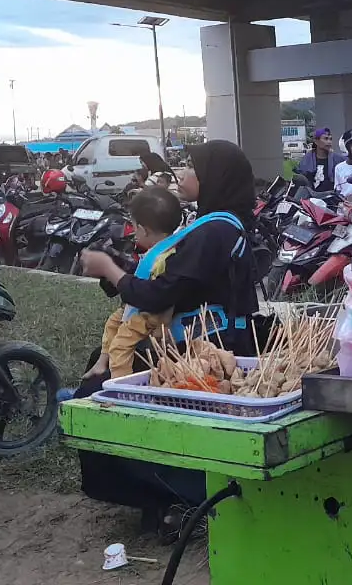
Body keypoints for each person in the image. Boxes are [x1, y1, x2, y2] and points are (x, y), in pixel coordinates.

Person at [74, 140, 259, 529]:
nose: (184, 175)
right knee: (100, 364)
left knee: (96, 396)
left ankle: (174, 495)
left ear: (213, 179)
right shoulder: (214, 224)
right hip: (195, 339)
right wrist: (123, 270)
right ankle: (160, 496)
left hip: (205, 347)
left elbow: (161, 293)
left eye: (193, 169)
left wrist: (109, 268)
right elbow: (169, 280)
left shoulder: (215, 231)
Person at [83, 187, 185, 381]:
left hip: (152, 316)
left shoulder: (164, 257)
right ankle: (101, 363)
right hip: (141, 308)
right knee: (113, 322)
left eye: (134, 225)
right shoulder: (170, 247)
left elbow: (151, 293)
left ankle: (121, 382)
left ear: (144, 230)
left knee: (121, 343)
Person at [295, 127, 346, 192]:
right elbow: (302, 178)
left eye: (330, 139)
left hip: (331, 196)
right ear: (316, 141)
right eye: (326, 139)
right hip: (310, 196)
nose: (329, 142)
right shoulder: (307, 159)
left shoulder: (337, 158)